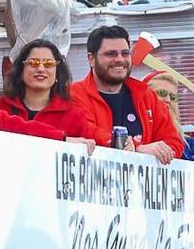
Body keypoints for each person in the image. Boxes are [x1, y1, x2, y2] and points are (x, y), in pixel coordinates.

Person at [68, 24, 183, 162]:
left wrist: (160, 152)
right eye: (110, 54)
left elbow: (174, 143)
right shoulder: (73, 94)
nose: (119, 59)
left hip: (141, 182)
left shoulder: (146, 95)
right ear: (91, 59)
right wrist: (137, 148)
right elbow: (89, 132)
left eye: (125, 53)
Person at [0, 39, 96, 145]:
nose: (41, 69)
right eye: (33, 63)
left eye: (48, 64)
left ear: (57, 72)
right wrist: (60, 138)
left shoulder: (74, 115)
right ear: (21, 70)